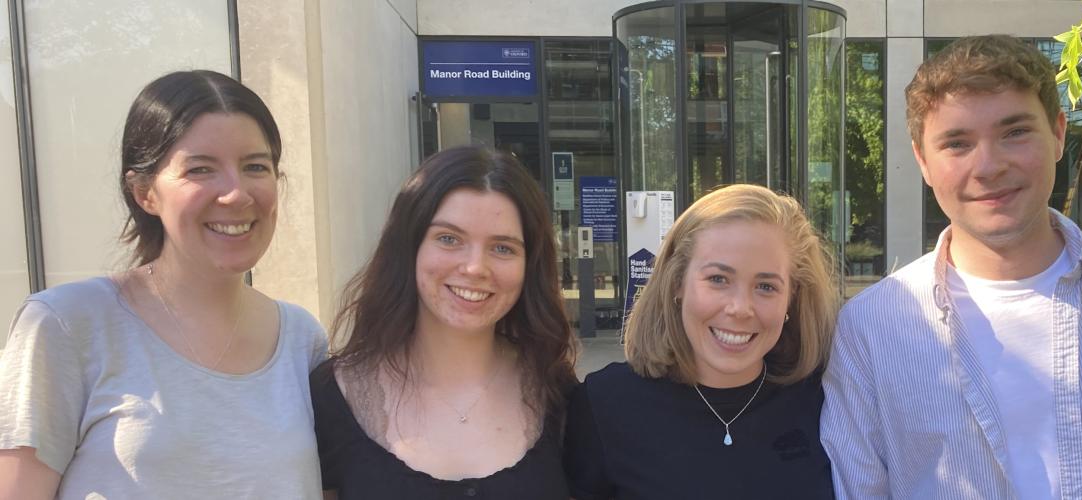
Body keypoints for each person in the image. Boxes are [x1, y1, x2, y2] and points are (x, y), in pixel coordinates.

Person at [820, 35, 1082, 499]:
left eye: (1014, 132)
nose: (989, 166)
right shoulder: (871, 328)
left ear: (1059, 134)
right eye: (956, 143)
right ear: (922, 161)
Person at [0, 70, 327, 498]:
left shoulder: (303, 341)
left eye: (255, 167)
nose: (236, 193)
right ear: (144, 193)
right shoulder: (66, 325)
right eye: (201, 169)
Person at [312, 145, 578, 498]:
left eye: (502, 248)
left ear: (529, 266)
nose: (474, 268)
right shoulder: (333, 395)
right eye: (449, 239)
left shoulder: (557, 392)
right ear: (409, 246)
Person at [565, 184, 838, 500]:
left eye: (765, 286)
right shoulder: (604, 404)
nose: (739, 308)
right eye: (718, 279)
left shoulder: (823, 400)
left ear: (792, 300)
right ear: (677, 282)